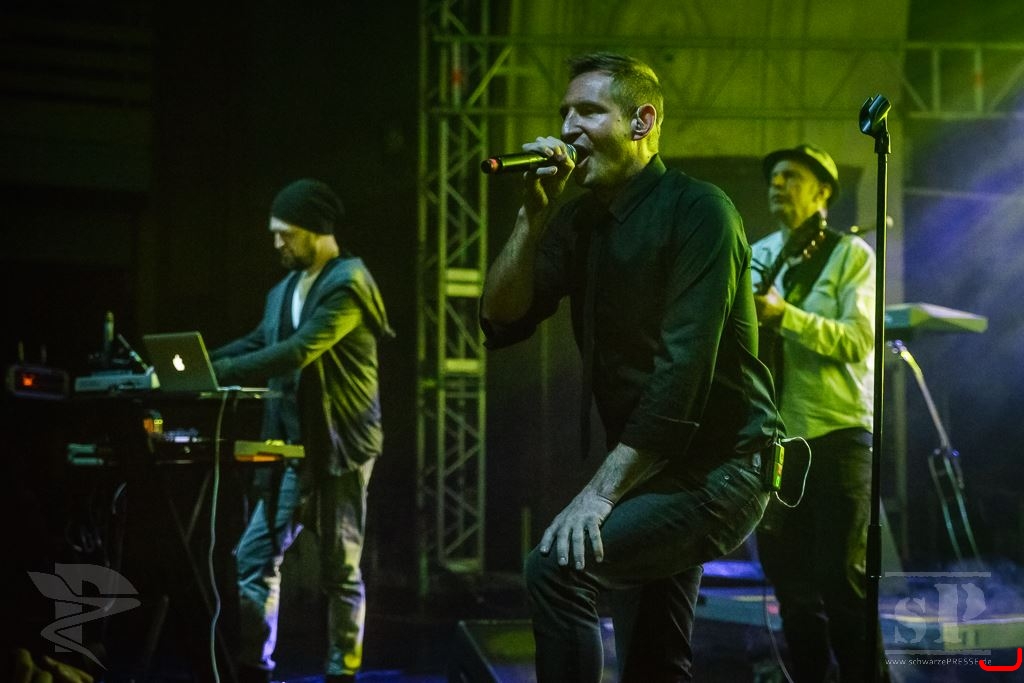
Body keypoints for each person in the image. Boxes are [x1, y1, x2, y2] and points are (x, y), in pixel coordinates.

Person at [479, 52, 782, 682]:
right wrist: (532, 218)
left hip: (723, 467)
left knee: (558, 566)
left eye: (589, 112)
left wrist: (598, 494)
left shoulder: (700, 211)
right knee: (652, 664)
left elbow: (683, 376)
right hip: (657, 469)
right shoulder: (579, 221)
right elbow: (501, 319)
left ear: (642, 121)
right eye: (564, 113)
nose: (568, 128)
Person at [211, 179, 392, 683]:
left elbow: (298, 351)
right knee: (253, 559)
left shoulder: (349, 283)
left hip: (340, 448)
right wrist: (200, 362)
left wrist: (222, 372)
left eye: (285, 233)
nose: (277, 243)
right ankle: (254, 667)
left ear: (315, 230)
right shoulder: (283, 290)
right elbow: (260, 341)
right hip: (290, 451)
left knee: (340, 571)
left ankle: (342, 672)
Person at [750, 144, 887, 682]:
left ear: (823, 191)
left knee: (842, 584)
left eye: (790, 176)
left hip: (838, 435)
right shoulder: (759, 253)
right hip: (778, 442)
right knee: (791, 590)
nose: (777, 184)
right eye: (773, 177)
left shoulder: (851, 255)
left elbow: (859, 340)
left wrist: (786, 316)